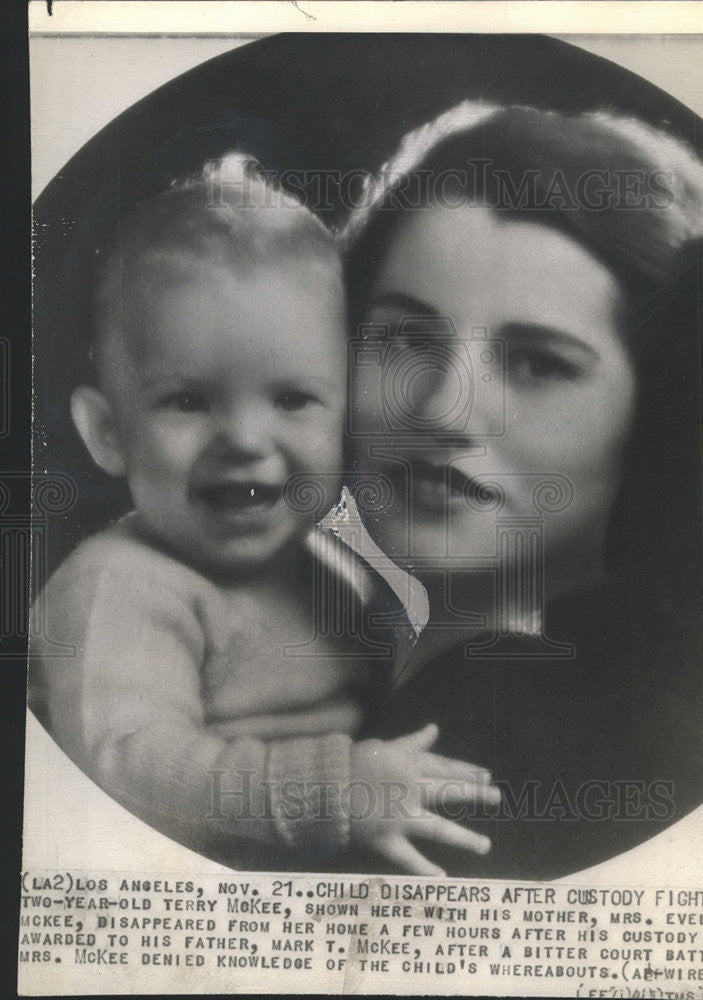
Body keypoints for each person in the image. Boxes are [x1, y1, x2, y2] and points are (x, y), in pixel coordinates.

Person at [343, 103, 703, 878]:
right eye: (406, 338)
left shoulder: (519, 734)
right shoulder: (393, 672)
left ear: (662, 420)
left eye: (538, 364)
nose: (441, 409)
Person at [28, 154, 500, 875]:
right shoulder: (119, 586)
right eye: (188, 400)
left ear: (345, 414)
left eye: (291, 399)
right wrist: (330, 790)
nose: (245, 441)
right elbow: (125, 769)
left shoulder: (339, 564)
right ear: (108, 433)